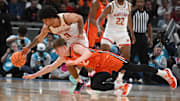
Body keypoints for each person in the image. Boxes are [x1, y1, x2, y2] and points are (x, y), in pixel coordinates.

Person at [23, 38, 177, 96]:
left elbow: (87, 55)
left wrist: (75, 62)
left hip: (107, 59)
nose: (57, 53)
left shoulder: (75, 47)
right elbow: (49, 67)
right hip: (101, 68)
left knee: (134, 68)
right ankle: (120, 87)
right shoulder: (64, 56)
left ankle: (163, 73)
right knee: (95, 85)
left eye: (57, 50)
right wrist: (33, 75)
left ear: (64, 46)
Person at [21, 5, 88, 90]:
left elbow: (80, 18)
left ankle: (90, 73)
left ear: (50, 18)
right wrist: (28, 47)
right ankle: (79, 81)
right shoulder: (47, 27)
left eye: (45, 20)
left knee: (81, 59)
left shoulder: (66, 17)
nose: (44, 22)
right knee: (60, 63)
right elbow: (39, 38)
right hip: (69, 43)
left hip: (80, 41)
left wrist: (81, 32)